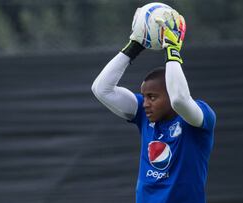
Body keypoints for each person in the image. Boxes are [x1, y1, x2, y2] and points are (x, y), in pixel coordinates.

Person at [91, 10, 216, 203]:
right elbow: (101, 89)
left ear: (170, 94)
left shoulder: (200, 117)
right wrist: (134, 46)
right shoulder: (144, 114)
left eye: (152, 97)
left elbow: (180, 100)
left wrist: (172, 50)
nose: (146, 103)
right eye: (144, 96)